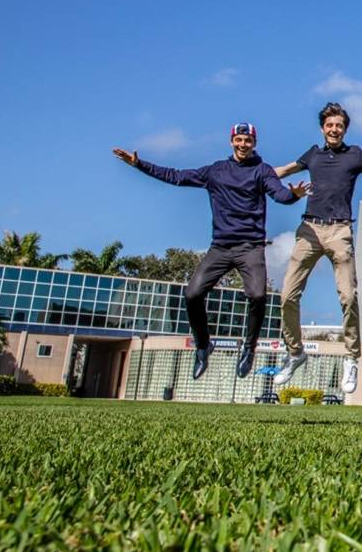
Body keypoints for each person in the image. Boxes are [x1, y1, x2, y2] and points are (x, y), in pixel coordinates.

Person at [113, 124, 308, 379]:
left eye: (247, 140)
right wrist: (139, 165)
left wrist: (293, 195)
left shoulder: (263, 171)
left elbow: (280, 194)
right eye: (238, 140)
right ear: (231, 142)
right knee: (192, 294)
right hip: (221, 247)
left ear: (254, 143)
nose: (242, 144)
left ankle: (249, 348)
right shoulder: (216, 171)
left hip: (250, 247)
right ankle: (204, 346)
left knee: (258, 296)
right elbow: (176, 176)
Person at [271, 103, 362, 393]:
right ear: (322, 128)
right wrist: (253, 176)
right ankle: (295, 353)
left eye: (339, 125)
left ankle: (351, 358)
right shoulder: (313, 155)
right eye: (329, 125)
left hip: (340, 230)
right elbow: (283, 170)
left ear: (345, 129)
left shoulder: (355, 155)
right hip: (309, 230)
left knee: (349, 296)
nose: (334, 130)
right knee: (287, 295)